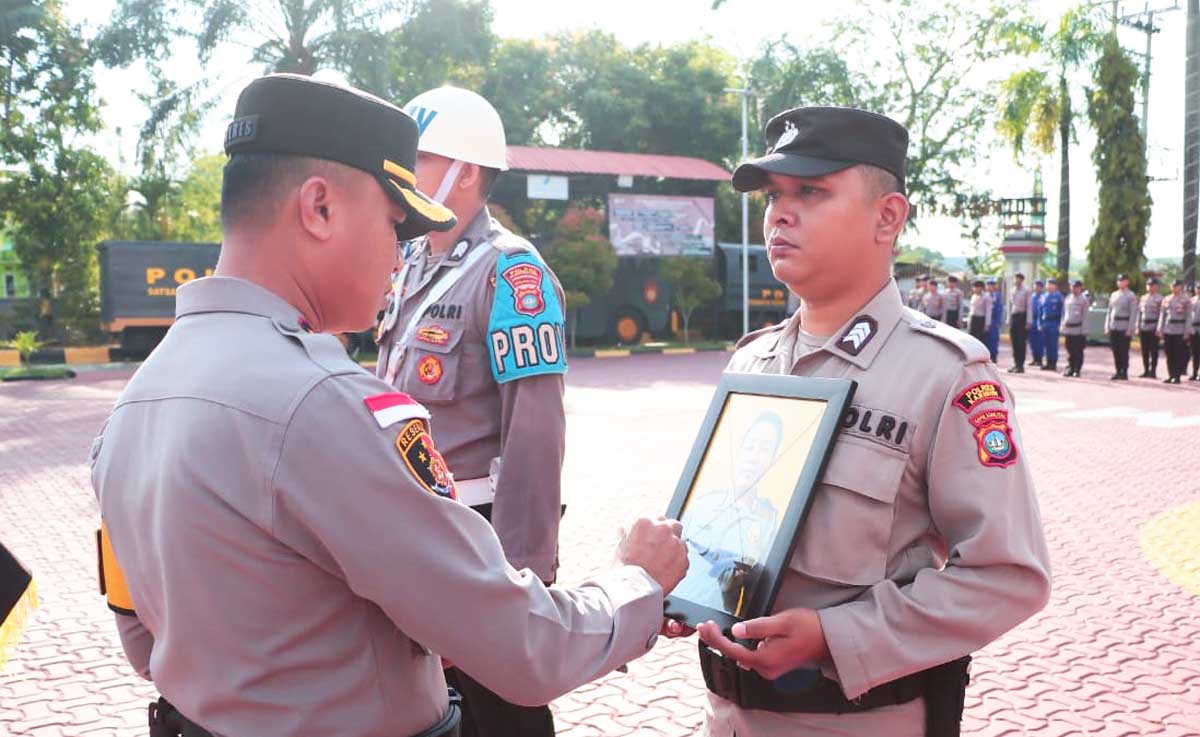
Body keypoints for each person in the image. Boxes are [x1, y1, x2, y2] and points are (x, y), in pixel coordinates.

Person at [90, 74, 688, 737]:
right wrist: (636, 580)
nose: (397, 250)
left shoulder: (134, 406)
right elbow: (525, 645)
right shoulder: (320, 407)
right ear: (319, 208)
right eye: (391, 221)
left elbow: (144, 638)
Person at [685, 105, 1050, 737]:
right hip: (727, 717)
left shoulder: (944, 374)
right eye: (774, 195)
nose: (779, 214)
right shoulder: (754, 360)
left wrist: (835, 636)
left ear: (888, 216)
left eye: (811, 192)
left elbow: (1007, 575)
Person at [372, 86, 568, 737]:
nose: (403, 174)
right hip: (411, 532)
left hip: (478, 538)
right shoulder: (410, 261)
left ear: (468, 173)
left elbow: (535, 442)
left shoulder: (512, 275)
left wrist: (521, 584)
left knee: (500, 707)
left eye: (421, 159)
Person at [674, 412, 783, 617]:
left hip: (727, 619)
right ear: (739, 451)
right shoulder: (701, 505)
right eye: (750, 446)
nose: (753, 456)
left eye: (765, 449)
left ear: (772, 459)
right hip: (683, 608)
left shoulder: (769, 521)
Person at [1104, 273, 1137, 380]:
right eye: (1119, 280)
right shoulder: (1114, 295)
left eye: (1123, 280)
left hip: (1124, 325)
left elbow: (1133, 313)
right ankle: (1118, 370)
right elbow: (1109, 311)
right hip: (1114, 325)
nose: (1120, 282)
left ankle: (1124, 371)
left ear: (1127, 282)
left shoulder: (1131, 296)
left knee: (1123, 350)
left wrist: (1130, 328)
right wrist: (1107, 326)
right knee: (1115, 350)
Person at [1159, 279, 1191, 384]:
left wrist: (1187, 331)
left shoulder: (1186, 300)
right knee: (1169, 353)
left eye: (1176, 286)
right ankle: (1171, 374)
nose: (1174, 288)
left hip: (1179, 329)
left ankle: (1176, 376)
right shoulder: (1166, 299)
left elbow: (1188, 316)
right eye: (1172, 286)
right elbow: (1162, 315)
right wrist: (1160, 329)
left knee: (1178, 353)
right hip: (1168, 328)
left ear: (1180, 287)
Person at [1060, 280, 1090, 378]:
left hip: (1078, 329)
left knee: (1078, 351)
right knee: (1070, 350)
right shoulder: (1068, 298)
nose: (1074, 289)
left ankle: (1077, 369)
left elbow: (1085, 316)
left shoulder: (1084, 300)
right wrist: (1062, 326)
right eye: (1072, 287)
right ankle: (1071, 367)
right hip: (1069, 328)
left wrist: (1084, 331)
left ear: (1081, 288)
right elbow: (1065, 314)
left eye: (1076, 287)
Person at [1138, 278, 1164, 378]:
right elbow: (1139, 313)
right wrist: (1138, 326)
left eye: (1152, 285)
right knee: (1144, 350)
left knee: (1153, 350)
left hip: (1154, 326)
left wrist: (1160, 328)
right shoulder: (1143, 298)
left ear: (1156, 287)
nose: (1150, 287)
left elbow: (1162, 314)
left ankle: (1153, 371)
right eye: (1148, 285)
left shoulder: (1160, 298)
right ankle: (1145, 370)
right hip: (1144, 326)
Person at [1038, 279, 1063, 372]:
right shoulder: (1043, 296)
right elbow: (1040, 311)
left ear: (1055, 286)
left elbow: (1061, 311)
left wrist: (1060, 324)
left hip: (1054, 322)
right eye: (1048, 284)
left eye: (1052, 284)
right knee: (1046, 344)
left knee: (1053, 344)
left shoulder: (1058, 296)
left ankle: (1053, 363)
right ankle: (1048, 362)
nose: (1050, 286)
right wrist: (1039, 323)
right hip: (1045, 322)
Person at [1007, 273, 1030, 373]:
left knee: (1021, 342)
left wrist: (1029, 321)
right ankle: (1016, 364)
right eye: (1016, 279)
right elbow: (1010, 305)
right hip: (1014, 317)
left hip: (1022, 317)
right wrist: (1008, 319)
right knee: (1014, 341)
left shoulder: (1026, 291)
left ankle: (1021, 365)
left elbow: (1029, 306)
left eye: (1019, 279)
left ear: (1022, 280)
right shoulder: (1012, 290)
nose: (1017, 281)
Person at [1029, 279, 1046, 368]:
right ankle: (1034, 358)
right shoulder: (1032, 297)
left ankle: (1039, 359)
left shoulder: (1043, 297)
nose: (1036, 287)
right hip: (1032, 320)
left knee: (1040, 342)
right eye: (1035, 285)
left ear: (1041, 287)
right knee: (1032, 341)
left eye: (1038, 286)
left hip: (1039, 320)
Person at [967, 280, 990, 346]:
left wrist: (987, 324)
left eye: (977, 287)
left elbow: (988, 311)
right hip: (973, 318)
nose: (975, 289)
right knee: (971, 337)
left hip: (981, 319)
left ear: (982, 288)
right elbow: (971, 309)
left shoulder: (986, 297)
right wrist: (969, 320)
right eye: (974, 287)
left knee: (980, 339)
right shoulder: (973, 296)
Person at [985, 278, 1002, 363]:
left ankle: (994, 356)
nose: (990, 287)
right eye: (989, 285)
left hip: (994, 320)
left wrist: (999, 321)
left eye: (992, 285)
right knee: (986, 339)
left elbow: (999, 309)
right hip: (985, 321)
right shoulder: (985, 295)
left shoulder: (997, 296)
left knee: (994, 339)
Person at [1190, 284, 1200, 381]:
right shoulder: (1191, 301)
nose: (1198, 290)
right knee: (1194, 352)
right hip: (1193, 329)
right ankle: (1194, 372)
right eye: (1197, 288)